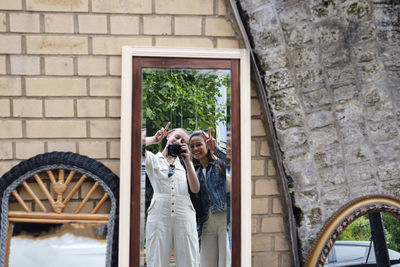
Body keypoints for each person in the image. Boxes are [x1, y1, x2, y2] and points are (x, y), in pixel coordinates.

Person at [144, 122, 200, 267]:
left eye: (183, 142)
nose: (179, 142)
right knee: (156, 256)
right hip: (159, 214)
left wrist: (188, 161)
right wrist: (154, 139)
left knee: (189, 258)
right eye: (177, 137)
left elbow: (195, 189)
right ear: (169, 135)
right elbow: (133, 145)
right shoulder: (153, 159)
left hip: (184, 214)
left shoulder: (186, 165)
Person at [189, 128, 231, 267]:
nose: (195, 149)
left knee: (225, 261)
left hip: (223, 218)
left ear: (207, 145)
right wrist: (199, 230)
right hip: (207, 223)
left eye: (199, 144)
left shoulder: (219, 163)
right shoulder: (197, 173)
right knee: (206, 262)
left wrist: (216, 149)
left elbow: (235, 164)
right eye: (192, 146)